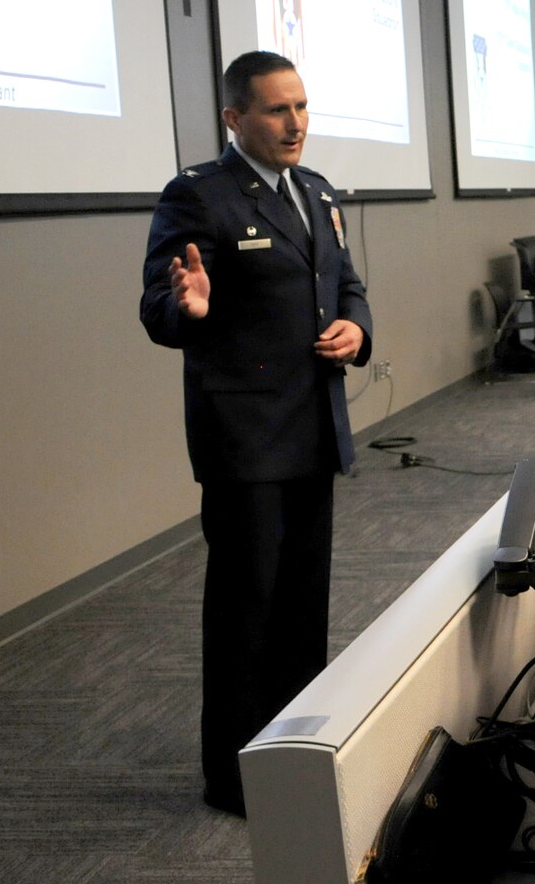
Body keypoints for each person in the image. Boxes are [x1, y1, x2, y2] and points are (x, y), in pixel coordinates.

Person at [140, 51, 373, 817]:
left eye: (302, 106)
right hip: (245, 439)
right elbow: (157, 308)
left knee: (305, 607)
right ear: (235, 118)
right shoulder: (197, 196)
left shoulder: (317, 191)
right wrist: (190, 309)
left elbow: (345, 284)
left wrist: (356, 330)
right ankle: (233, 778)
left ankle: (294, 756)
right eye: (277, 110)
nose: (295, 123)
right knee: (247, 610)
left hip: (313, 429)